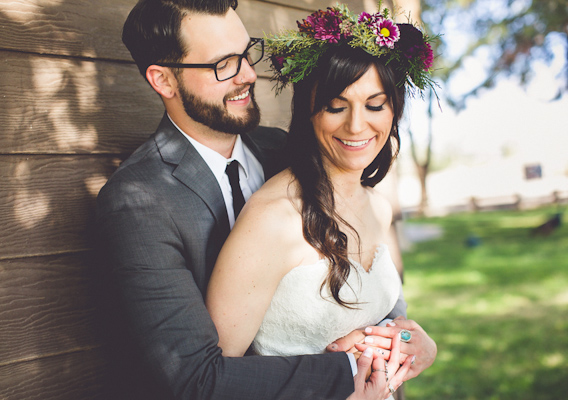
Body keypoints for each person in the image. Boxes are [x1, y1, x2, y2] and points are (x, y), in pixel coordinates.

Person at [96, 0, 435, 399]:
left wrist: (408, 339)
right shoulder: (138, 201)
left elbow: (364, 261)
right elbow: (194, 377)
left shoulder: (286, 150)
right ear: (164, 81)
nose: (249, 74)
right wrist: (350, 368)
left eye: (246, 53)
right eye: (224, 64)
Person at [206, 4, 438, 399]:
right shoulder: (273, 220)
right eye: (336, 106)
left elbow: (383, 319)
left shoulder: (377, 205)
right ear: (309, 113)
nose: (356, 125)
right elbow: (215, 379)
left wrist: (420, 346)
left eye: (375, 105)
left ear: (394, 111)